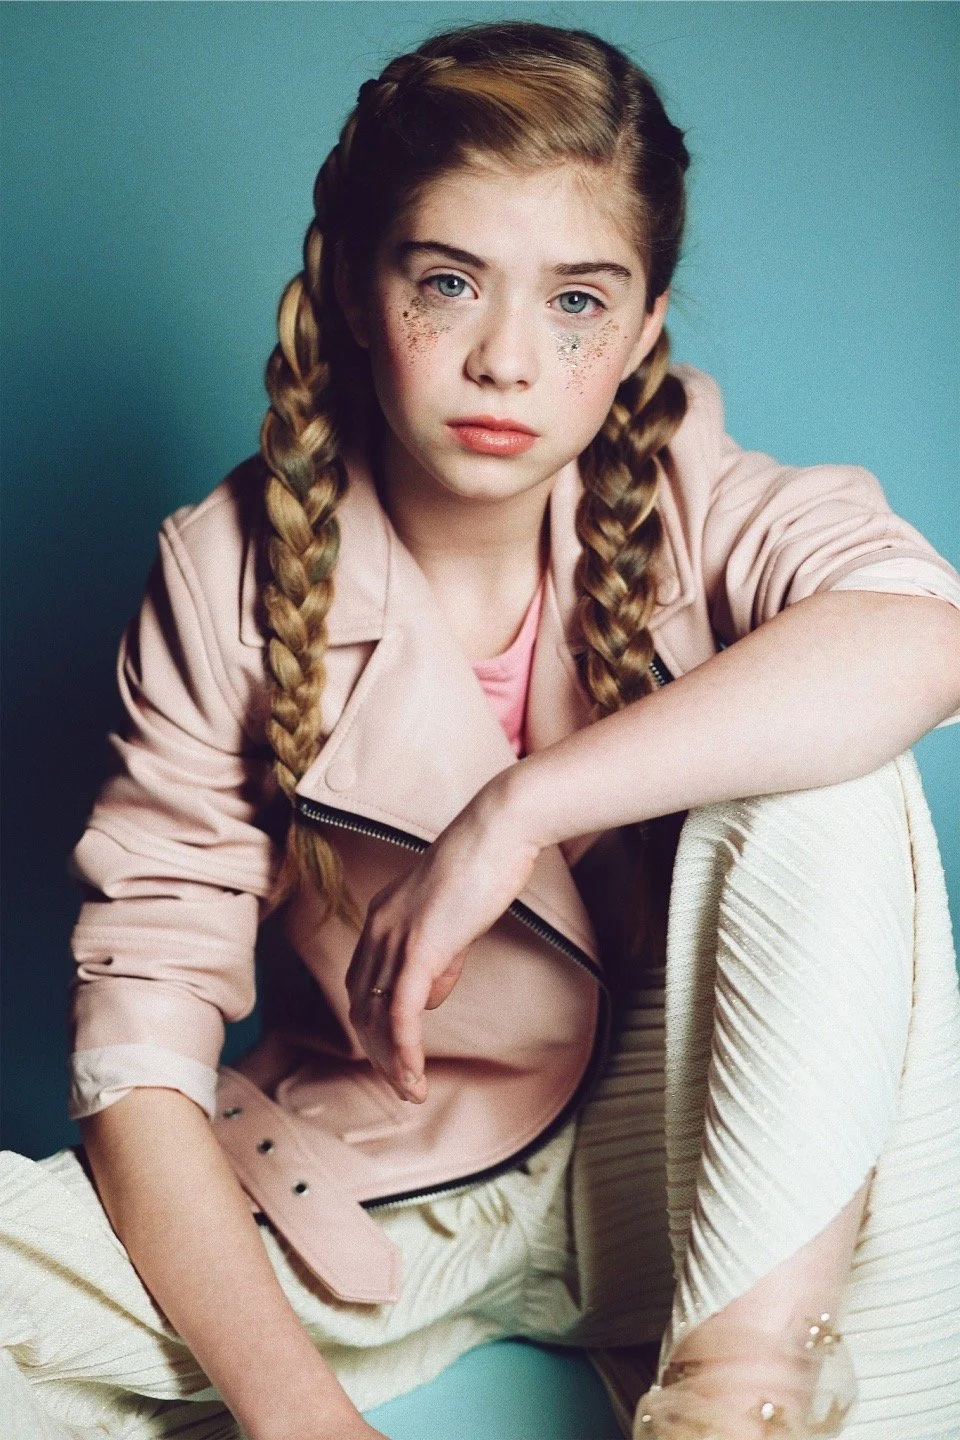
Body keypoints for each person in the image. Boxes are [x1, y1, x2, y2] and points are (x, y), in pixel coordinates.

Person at [2, 18, 959, 1440]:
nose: (510, 358)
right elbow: (137, 1040)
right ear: (345, 282)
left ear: (642, 329)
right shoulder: (227, 567)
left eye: (577, 302)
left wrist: (515, 809)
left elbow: (923, 634)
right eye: (449, 282)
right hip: (382, 1185)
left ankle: (739, 1401)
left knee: (827, 770)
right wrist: (295, 1414)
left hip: (701, 1180)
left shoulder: (698, 488)